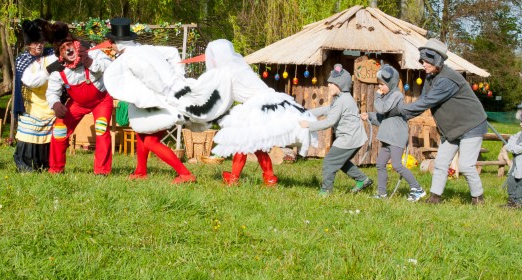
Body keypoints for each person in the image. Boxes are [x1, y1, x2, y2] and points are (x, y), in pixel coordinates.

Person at [102, 18, 228, 183]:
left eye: (110, 43)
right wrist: (178, 77)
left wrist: (162, 92)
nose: (109, 46)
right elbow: (172, 52)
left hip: (164, 100)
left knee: (150, 141)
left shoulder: (129, 58)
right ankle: (140, 171)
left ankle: (185, 174)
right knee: (142, 133)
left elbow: (149, 75)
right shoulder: (146, 48)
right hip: (172, 93)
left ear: (114, 42)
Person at [202, 39, 315, 186]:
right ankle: (269, 177)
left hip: (257, 106)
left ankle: (234, 178)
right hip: (264, 103)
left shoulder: (227, 73)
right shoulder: (240, 66)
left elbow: (224, 98)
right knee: (253, 143)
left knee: (242, 142)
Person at [399, 39, 487, 205]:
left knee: (466, 165)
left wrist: (399, 111)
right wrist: (402, 115)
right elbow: (424, 100)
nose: (423, 64)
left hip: (471, 125)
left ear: (436, 60)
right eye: (422, 61)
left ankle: (478, 198)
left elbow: (427, 102)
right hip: (451, 128)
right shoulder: (431, 78)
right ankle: (435, 197)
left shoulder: (448, 79)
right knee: (440, 163)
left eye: (426, 61)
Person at [45, 34, 115, 175]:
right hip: (78, 104)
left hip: (101, 99)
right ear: (60, 54)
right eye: (63, 48)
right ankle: (56, 169)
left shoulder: (92, 52)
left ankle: (102, 171)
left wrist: (90, 62)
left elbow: (110, 66)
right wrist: (56, 104)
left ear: (75, 44)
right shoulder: (58, 70)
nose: (68, 49)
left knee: (101, 129)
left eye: (69, 44)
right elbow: (52, 92)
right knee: (59, 131)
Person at [300, 64, 370, 195]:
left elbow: (330, 121)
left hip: (349, 138)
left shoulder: (343, 100)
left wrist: (308, 125)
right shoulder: (340, 99)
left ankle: (325, 191)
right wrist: (307, 113)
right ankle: (363, 180)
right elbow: (327, 110)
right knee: (340, 161)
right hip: (354, 137)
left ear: (340, 84)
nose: (328, 85)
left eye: (332, 83)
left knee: (330, 161)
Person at [366, 64, 424, 201]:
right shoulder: (387, 96)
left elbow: (382, 109)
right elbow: (383, 118)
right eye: (378, 84)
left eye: (382, 84)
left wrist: (377, 97)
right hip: (387, 137)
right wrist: (368, 115)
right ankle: (382, 194)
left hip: (397, 136)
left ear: (391, 83)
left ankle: (417, 189)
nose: (379, 87)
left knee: (397, 164)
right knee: (380, 164)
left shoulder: (396, 95)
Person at [13, 19, 62, 172]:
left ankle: (45, 165)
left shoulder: (51, 55)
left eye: (41, 42)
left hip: (49, 104)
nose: (39, 45)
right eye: (35, 42)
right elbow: (30, 81)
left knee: (48, 138)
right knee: (29, 136)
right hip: (31, 105)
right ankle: (26, 166)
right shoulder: (23, 60)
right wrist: (48, 70)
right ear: (28, 44)